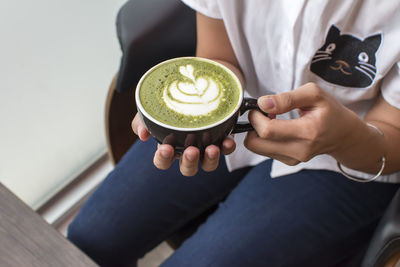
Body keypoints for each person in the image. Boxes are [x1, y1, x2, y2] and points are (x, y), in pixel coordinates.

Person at [67, 0, 400, 266]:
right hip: (231, 108)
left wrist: (345, 139)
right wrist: (189, 112)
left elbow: (392, 136)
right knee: (88, 237)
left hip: (349, 160)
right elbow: (217, 57)